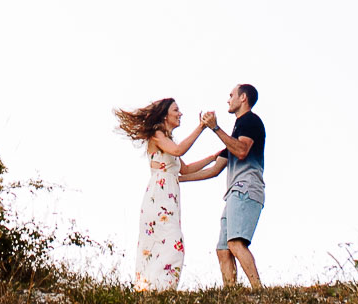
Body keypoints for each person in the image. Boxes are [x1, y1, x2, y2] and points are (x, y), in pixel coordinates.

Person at [114, 97, 230, 290]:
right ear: (165, 115)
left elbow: (185, 169)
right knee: (172, 243)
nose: (180, 113)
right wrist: (201, 127)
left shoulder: (167, 140)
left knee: (165, 243)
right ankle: (157, 289)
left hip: (169, 198)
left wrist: (213, 157)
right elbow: (178, 151)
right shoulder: (156, 135)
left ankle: (153, 290)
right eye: (176, 110)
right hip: (158, 196)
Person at [201, 84, 266, 289]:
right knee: (223, 248)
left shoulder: (250, 121)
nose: (228, 100)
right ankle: (232, 293)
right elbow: (214, 169)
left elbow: (241, 151)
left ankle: (258, 290)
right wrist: (176, 178)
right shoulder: (236, 131)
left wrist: (215, 128)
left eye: (231, 95)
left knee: (236, 243)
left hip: (245, 188)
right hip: (233, 193)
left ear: (243, 98)